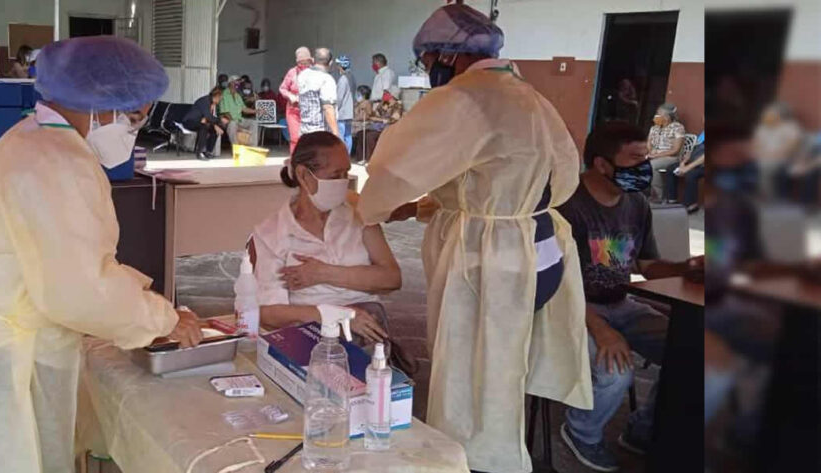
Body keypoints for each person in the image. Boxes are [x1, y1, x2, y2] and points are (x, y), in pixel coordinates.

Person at [0, 36, 204, 473]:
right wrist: (163, 319)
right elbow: (81, 290)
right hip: (12, 354)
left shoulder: (27, 138)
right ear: (99, 105)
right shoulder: (60, 163)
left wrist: (142, 301)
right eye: (132, 117)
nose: (134, 130)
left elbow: (66, 262)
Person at [356, 5, 592, 472]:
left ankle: (478, 459)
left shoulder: (464, 98)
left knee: (475, 376)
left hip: (494, 259)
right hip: (542, 247)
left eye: (427, 60)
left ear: (446, 55)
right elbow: (506, 177)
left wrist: (369, 209)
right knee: (507, 363)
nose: (428, 69)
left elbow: (395, 166)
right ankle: (511, 445)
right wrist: (422, 207)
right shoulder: (529, 94)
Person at [556, 123, 704, 472]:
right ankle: (581, 432)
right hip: (570, 308)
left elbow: (647, 266)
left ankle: (642, 430)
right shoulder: (566, 205)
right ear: (601, 164)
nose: (645, 166)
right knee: (614, 370)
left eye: (647, 157)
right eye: (636, 159)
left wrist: (685, 269)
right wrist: (601, 330)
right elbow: (558, 285)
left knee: (690, 352)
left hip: (622, 303)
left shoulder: (636, 203)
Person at [249, 131, 399, 345]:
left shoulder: (359, 214)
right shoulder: (272, 232)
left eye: (346, 173)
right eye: (335, 175)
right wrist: (335, 315)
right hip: (309, 334)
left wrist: (323, 273)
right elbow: (268, 313)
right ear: (304, 175)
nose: (344, 182)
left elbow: (391, 278)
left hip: (365, 329)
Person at [645, 103, 686, 200]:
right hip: (654, 155)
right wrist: (650, 152)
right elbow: (649, 143)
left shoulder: (677, 128)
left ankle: (657, 195)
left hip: (671, 157)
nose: (656, 116)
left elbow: (675, 150)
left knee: (652, 165)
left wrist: (656, 155)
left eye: (659, 114)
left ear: (667, 117)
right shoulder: (654, 128)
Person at [297, 48, 340, 136]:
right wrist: (336, 133)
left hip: (304, 131)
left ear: (313, 60)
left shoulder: (302, 75)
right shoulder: (326, 79)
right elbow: (328, 107)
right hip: (321, 133)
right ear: (330, 63)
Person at [280, 47, 313, 153]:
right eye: (300, 63)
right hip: (293, 110)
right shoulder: (292, 72)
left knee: (309, 138)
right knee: (295, 138)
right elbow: (283, 88)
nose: (303, 65)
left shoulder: (314, 72)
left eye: (306, 62)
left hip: (309, 110)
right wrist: (290, 96)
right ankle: (295, 159)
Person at [664, 130, 705, 212]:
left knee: (691, 174)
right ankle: (672, 200)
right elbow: (693, 149)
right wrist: (683, 163)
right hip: (694, 162)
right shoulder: (703, 134)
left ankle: (691, 204)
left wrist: (688, 167)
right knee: (671, 169)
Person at [182, 86, 227, 160]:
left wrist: (216, 125)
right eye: (221, 98)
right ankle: (200, 152)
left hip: (200, 121)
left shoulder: (212, 103)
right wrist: (220, 120)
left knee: (213, 129)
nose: (221, 99)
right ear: (217, 96)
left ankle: (208, 152)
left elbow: (207, 119)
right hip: (189, 121)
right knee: (204, 126)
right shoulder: (205, 101)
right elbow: (208, 117)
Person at [219, 75, 259, 147]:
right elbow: (225, 112)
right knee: (232, 124)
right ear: (231, 83)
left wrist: (256, 111)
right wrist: (236, 124)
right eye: (236, 82)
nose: (238, 84)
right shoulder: (224, 94)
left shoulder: (237, 95)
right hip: (229, 120)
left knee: (254, 123)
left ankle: (252, 147)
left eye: (239, 82)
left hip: (239, 119)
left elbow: (244, 109)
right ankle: (236, 147)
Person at [334, 55, 357, 153]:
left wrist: (335, 109)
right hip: (349, 112)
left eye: (338, 64)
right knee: (348, 135)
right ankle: (347, 155)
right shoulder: (351, 77)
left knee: (340, 135)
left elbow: (339, 97)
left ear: (341, 66)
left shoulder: (343, 79)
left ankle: (341, 155)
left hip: (342, 112)